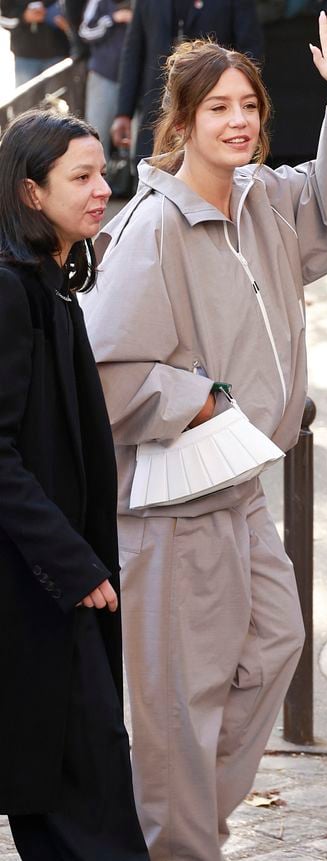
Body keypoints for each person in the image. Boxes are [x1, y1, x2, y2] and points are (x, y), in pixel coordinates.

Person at [82, 8, 327, 860]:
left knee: (276, 643)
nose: (239, 120)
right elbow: (105, 373)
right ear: (182, 123)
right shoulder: (149, 230)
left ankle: (180, 834)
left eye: (249, 105)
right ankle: (179, 842)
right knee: (179, 703)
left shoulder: (265, 201)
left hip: (241, 489)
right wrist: (209, 398)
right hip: (173, 506)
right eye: (218, 107)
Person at [0, 109, 150, 861]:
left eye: (103, 173)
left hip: (54, 583)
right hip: (37, 587)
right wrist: (74, 564)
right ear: (31, 192)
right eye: (81, 178)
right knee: (84, 788)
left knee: (72, 787)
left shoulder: (53, 284)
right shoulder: (11, 292)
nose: (103, 191)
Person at [110, 0, 264, 163]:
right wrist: (123, 113)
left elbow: (250, 51)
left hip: (216, 118)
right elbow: (133, 52)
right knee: (153, 174)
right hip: (155, 113)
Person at [79, 0, 133, 161]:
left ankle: (127, 181)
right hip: (104, 76)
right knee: (97, 133)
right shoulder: (99, 2)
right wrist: (112, 18)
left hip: (135, 80)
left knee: (133, 138)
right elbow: (85, 31)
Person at [0, 0, 70, 86]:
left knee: (58, 97)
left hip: (59, 54)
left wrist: (69, 25)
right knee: (27, 97)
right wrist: (24, 17)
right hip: (26, 57)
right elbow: (3, 20)